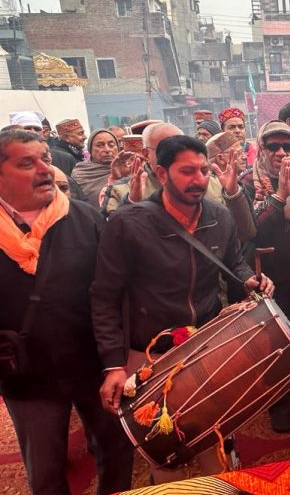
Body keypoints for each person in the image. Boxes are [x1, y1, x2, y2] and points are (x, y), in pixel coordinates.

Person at [91, 135, 273, 484]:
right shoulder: (128, 224)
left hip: (207, 344)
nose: (200, 179)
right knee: (163, 451)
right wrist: (113, 364)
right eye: (187, 171)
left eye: (204, 170)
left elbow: (234, 259)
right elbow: (104, 296)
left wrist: (250, 278)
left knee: (215, 444)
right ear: (161, 173)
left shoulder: (219, 215)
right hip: (147, 353)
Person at [0, 130, 133, 494]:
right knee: (44, 469)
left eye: (45, 157)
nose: (46, 169)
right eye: (27, 163)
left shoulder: (85, 219)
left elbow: (112, 295)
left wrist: (115, 362)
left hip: (94, 366)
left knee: (117, 451)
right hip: (27, 377)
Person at [223, 120, 290, 433]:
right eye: (273, 145)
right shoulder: (244, 182)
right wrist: (278, 196)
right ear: (262, 147)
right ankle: (279, 403)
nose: (281, 152)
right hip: (268, 277)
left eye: (287, 145)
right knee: (273, 345)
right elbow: (250, 232)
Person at [101, 123, 224, 216]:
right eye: (165, 149)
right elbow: (115, 237)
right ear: (146, 153)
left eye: (180, 148)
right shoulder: (122, 190)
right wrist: (132, 203)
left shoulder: (214, 183)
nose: (175, 156)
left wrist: (233, 194)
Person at [71, 129, 121, 208]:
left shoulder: (127, 168)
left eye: (111, 145)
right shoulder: (81, 172)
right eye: (100, 145)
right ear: (90, 149)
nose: (107, 150)